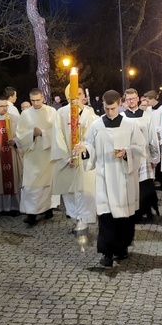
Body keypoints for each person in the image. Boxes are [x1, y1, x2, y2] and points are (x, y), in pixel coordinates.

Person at [74, 90, 146, 267]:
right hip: (105, 177)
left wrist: (127, 152)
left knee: (124, 218)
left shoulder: (130, 124)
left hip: (123, 177)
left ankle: (122, 248)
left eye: (113, 108)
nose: (110, 112)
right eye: (106, 108)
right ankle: (106, 252)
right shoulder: (97, 125)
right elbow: (89, 145)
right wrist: (85, 149)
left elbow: (140, 147)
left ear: (120, 104)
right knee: (106, 217)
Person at [51, 85, 98, 228]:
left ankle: (84, 222)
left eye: (80, 94)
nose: (77, 97)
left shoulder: (90, 112)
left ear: (84, 95)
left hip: (85, 159)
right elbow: (57, 136)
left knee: (85, 191)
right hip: (67, 160)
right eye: (74, 94)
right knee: (69, 192)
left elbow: (94, 130)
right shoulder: (61, 113)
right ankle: (76, 219)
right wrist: (67, 158)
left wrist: (82, 111)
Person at [16, 88, 57, 225]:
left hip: (47, 153)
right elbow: (20, 134)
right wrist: (31, 134)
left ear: (43, 98)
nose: (35, 103)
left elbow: (58, 132)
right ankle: (31, 213)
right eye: (32, 100)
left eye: (38, 100)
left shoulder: (52, 112)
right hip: (32, 154)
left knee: (47, 183)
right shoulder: (25, 114)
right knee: (31, 184)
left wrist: (44, 133)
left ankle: (48, 208)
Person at [123, 88, 160, 220]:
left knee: (144, 186)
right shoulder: (122, 118)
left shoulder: (146, 117)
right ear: (125, 100)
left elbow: (152, 138)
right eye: (128, 99)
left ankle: (145, 210)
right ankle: (134, 212)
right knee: (131, 186)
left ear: (138, 98)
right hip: (129, 157)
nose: (131, 101)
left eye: (133, 98)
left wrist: (155, 157)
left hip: (144, 156)